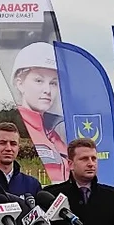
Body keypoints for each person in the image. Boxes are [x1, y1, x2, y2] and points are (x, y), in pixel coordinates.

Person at [10, 41, 69, 182]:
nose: (47, 90)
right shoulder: (18, 130)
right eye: (38, 80)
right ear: (20, 83)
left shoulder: (55, 133)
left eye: (53, 83)